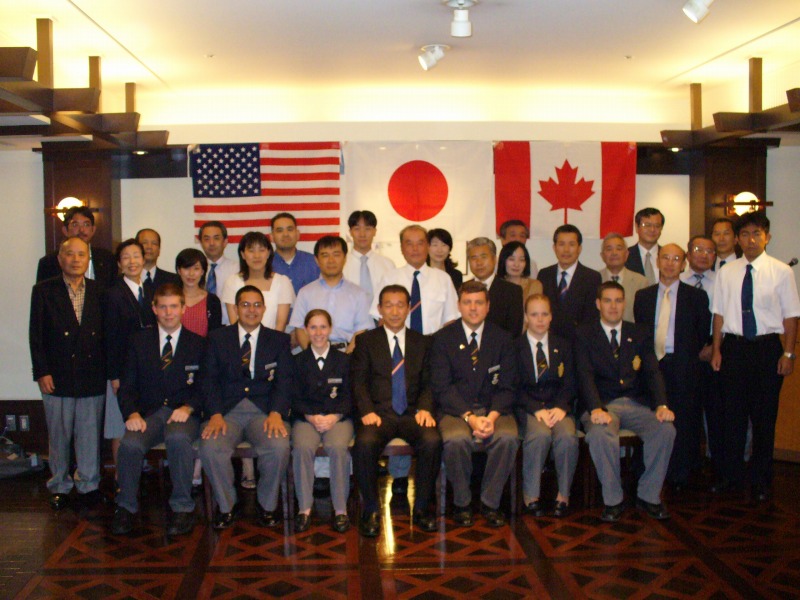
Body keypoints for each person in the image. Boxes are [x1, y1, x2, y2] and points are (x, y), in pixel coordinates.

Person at [710, 211, 800, 502]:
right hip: (734, 350)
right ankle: (731, 475)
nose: (751, 240)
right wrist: (716, 349)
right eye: (745, 234)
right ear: (738, 239)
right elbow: (719, 314)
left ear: (767, 237)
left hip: (767, 350)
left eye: (757, 234)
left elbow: (791, 316)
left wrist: (788, 353)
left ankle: (761, 479)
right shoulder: (727, 272)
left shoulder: (781, 272)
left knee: (764, 419)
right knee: (732, 417)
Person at [369, 224, 459, 494]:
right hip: (399, 351)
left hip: (434, 351)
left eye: (421, 242)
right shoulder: (389, 277)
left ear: (428, 246)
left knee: (429, 412)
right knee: (401, 407)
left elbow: (451, 320)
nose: (416, 248)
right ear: (401, 247)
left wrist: (431, 347)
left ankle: (433, 478)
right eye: (409, 243)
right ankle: (399, 477)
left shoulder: (443, 279)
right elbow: (380, 316)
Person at [111, 284, 206, 536]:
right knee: (130, 444)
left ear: (183, 308)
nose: (168, 312)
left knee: (178, 438)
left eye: (174, 306)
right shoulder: (138, 342)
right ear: (154, 309)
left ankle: (183, 508)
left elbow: (206, 387)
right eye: (163, 307)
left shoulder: (198, 344)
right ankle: (126, 507)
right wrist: (131, 413)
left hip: (184, 414)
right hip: (149, 414)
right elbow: (127, 386)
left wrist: (189, 407)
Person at [576, 282, 675, 522]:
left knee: (665, 430)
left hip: (635, 402)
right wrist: (595, 408)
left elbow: (652, 371)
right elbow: (584, 375)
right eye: (607, 300)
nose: (613, 306)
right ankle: (613, 500)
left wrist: (661, 405)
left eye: (618, 301)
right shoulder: (584, 333)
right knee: (600, 435)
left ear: (624, 303)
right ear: (598, 304)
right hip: (602, 404)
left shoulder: (639, 332)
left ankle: (649, 496)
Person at [200, 286, 293, 529]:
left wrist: (276, 413)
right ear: (235, 308)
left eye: (257, 305)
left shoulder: (279, 340)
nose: (252, 310)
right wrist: (215, 414)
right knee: (210, 447)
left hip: (264, 411)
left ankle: (267, 505)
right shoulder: (217, 338)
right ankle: (227, 506)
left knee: (279, 446)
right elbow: (208, 380)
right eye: (245, 304)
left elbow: (285, 381)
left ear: (264, 308)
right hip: (226, 412)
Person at [352, 285, 442, 537]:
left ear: (409, 308)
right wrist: (366, 410)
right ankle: (371, 510)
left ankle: (422, 508)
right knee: (364, 443)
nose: (394, 311)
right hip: (379, 414)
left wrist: (425, 408)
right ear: (379, 309)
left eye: (400, 305)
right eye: (388, 305)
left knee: (432, 441)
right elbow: (358, 381)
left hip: (412, 413)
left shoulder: (423, 342)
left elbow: (429, 383)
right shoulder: (366, 341)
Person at [431, 280, 519, 528]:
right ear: (459, 305)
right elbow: (442, 387)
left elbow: (508, 386)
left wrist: (490, 417)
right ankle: (462, 503)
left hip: (494, 409)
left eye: (479, 302)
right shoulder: (442, 339)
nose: (473, 308)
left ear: (488, 306)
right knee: (456, 439)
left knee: (508, 438)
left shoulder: (503, 339)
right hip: (456, 410)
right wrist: (469, 417)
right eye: (467, 302)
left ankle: (490, 503)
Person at [29, 237, 106, 510]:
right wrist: (42, 371)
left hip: (92, 375)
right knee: (59, 435)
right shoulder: (43, 290)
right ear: (60, 259)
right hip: (56, 375)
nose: (75, 259)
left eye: (81, 254)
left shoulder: (100, 290)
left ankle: (88, 485)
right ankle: (59, 485)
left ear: (88, 259)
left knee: (89, 435)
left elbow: (106, 335)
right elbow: (36, 335)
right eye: (69, 254)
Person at [634, 244, 710, 490]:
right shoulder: (643, 296)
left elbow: (701, 334)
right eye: (665, 257)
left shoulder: (696, 297)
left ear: (683, 264)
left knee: (683, 421)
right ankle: (647, 472)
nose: (670, 263)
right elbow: (640, 333)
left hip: (682, 365)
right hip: (651, 366)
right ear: (657, 261)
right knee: (651, 419)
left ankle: (679, 474)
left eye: (676, 258)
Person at [290, 309, 354, 533]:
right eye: (313, 327)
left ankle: (340, 510)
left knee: (337, 447)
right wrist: (310, 415)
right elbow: (292, 396)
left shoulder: (344, 360)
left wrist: (335, 416)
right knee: (302, 448)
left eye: (323, 327)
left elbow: (350, 396)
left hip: (338, 418)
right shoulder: (297, 361)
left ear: (330, 329)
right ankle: (304, 508)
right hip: (306, 418)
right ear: (306, 330)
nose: (318, 332)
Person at [515, 294, 578, 517]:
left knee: (567, 436)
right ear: (526, 317)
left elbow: (571, 382)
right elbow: (512, 387)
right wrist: (535, 408)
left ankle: (563, 494)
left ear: (551, 316)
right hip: (529, 407)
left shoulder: (563, 345)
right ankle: (531, 495)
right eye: (534, 314)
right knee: (540, 435)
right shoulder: (515, 346)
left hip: (558, 407)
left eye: (544, 314)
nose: (540, 319)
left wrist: (561, 406)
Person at [103, 239, 157, 483]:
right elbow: (109, 336)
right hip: (122, 369)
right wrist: (114, 375)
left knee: (140, 419)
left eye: (136, 256)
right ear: (119, 263)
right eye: (126, 257)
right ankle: (121, 477)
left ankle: (138, 471)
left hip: (146, 368)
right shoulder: (113, 294)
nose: (132, 261)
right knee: (119, 424)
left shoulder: (151, 291)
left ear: (144, 259)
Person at [289, 236, 373, 353]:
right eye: (325, 255)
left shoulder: (358, 294)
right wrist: (314, 356)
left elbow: (361, 331)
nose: (331, 260)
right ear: (317, 260)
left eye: (336, 254)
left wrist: (347, 357)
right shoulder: (305, 293)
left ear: (344, 258)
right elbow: (300, 329)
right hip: (312, 354)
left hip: (348, 354)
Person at [680, 235, 720, 476]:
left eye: (709, 251)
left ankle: (717, 465)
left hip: (714, 354)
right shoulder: (677, 280)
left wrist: (714, 346)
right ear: (688, 253)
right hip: (684, 358)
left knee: (715, 413)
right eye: (698, 249)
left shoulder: (723, 281)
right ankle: (689, 464)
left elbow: (726, 316)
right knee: (688, 414)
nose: (704, 255)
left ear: (715, 256)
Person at [220, 231, 295, 331]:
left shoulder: (282, 282)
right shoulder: (232, 282)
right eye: (251, 251)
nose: (257, 256)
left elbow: (281, 325)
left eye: (261, 250)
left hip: (272, 339)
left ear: (268, 253)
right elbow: (234, 323)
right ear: (243, 254)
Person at [539, 224, 601, 341]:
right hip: (549, 341)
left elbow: (592, 317)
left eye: (571, 244)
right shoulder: (544, 274)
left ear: (579, 248)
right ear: (554, 247)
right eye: (561, 244)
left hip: (579, 342)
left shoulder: (592, 277)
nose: (566, 250)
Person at [36, 206, 116, 291]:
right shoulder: (48, 263)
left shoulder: (107, 259)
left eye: (86, 224)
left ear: (93, 230)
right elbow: (42, 294)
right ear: (65, 230)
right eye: (75, 225)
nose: (82, 230)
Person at [467, 237, 524, 337]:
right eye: (474, 258)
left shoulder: (512, 291)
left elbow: (514, 331)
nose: (479, 263)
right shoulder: (462, 289)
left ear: (494, 259)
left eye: (484, 257)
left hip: (500, 345)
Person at [342, 210, 396, 306]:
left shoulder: (388, 265)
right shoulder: (341, 265)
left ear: (374, 231)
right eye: (357, 229)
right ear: (350, 232)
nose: (362, 234)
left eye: (367, 229)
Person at [598, 232, 648, 323]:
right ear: (602, 256)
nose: (614, 253)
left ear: (626, 254)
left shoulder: (641, 282)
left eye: (619, 249)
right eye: (609, 249)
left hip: (631, 331)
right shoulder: (593, 279)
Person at [175, 248, 223, 337]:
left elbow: (215, 335)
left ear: (202, 272)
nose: (191, 273)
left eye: (196, 268)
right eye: (186, 268)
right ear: (179, 270)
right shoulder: (170, 299)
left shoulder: (213, 301)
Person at [198, 221, 239, 325]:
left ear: (225, 242)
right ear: (201, 242)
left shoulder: (237, 269)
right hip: (200, 326)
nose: (211, 243)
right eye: (207, 239)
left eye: (216, 238)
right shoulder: (194, 270)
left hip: (228, 327)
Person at [271, 212, 321, 294]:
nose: (285, 234)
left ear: (297, 234)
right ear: (272, 236)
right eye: (279, 231)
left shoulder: (314, 262)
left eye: (290, 229)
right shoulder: (265, 264)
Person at [497, 240, 543, 308]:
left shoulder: (534, 285)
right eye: (511, 259)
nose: (516, 264)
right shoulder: (496, 285)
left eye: (521, 260)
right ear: (503, 260)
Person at [625, 208, 664, 284]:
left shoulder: (669, 257)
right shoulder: (625, 256)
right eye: (647, 225)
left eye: (657, 226)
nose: (652, 229)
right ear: (637, 227)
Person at [135, 228, 181, 294]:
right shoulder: (125, 280)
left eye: (154, 243)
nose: (149, 247)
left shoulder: (173, 280)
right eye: (144, 243)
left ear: (159, 250)